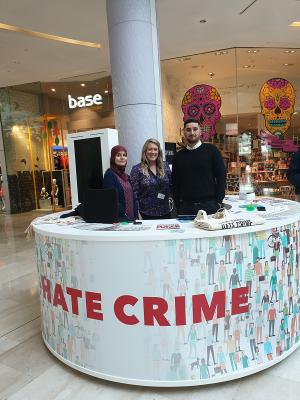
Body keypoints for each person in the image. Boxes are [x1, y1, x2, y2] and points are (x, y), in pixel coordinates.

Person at [172, 118, 226, 216]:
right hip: (186, 208)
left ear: (200, 131)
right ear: (183, 132)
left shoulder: (211, 151)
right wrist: (178, 204)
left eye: (195, 129)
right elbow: (175, 183)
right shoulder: (178, 156)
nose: (192, 132)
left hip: (210, 207)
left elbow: (221, 176)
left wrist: (219, 201)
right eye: (188, 130)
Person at [130, 138, 172, 219]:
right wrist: (137, 213)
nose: (153, 152)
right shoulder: (137, 169)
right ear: (145, 152)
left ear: (158, 151)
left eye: (155, 149)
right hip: (146, 214)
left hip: (165, 212)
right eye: (150, 149)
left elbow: (170, 186)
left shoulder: (165, 166)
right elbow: (134, 194)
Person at [103, 145, 138, 221]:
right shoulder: (109, 175)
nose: (122, 157)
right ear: (113, 158)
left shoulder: (127, 177)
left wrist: (136, 217)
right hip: (119, 221)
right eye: (118, 155)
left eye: (124, 155)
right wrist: (124, 217)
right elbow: (112, 200)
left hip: (131, 220)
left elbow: (133, 198)